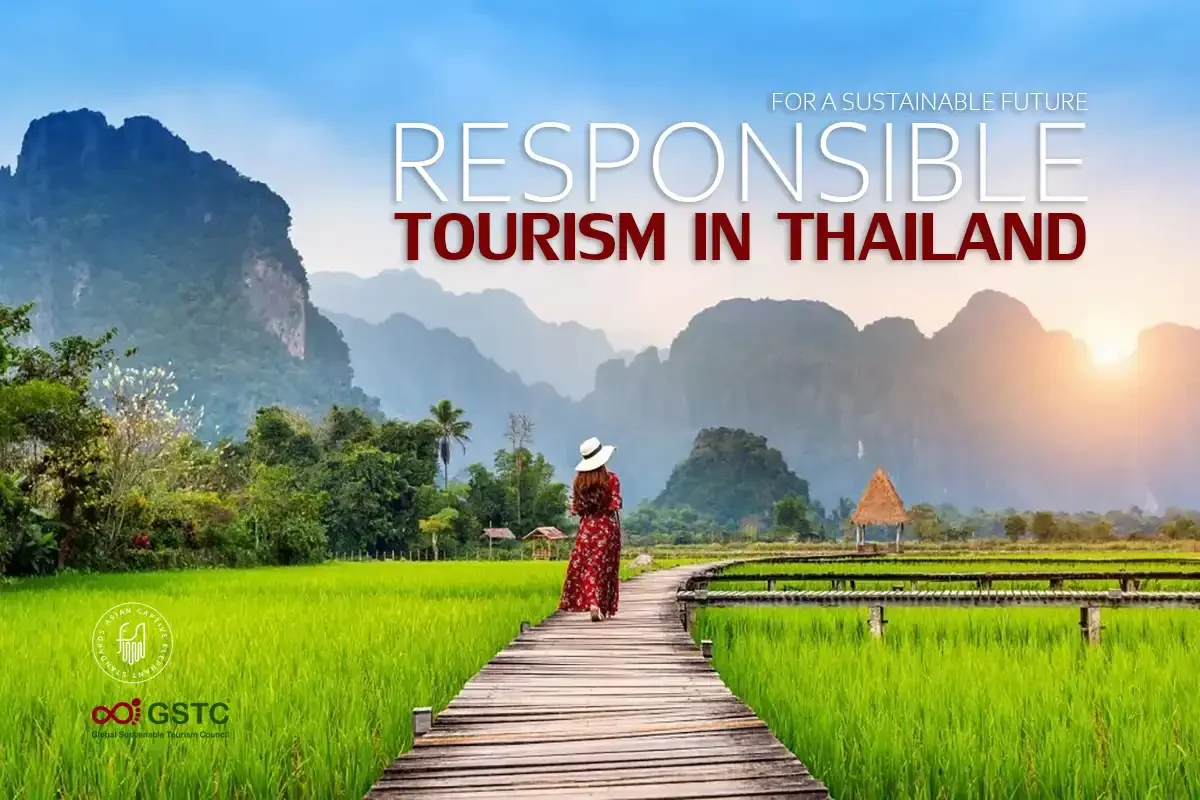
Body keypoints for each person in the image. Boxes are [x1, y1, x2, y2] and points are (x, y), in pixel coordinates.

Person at [559, 436, 623, 622]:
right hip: (607, 528)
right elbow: (614, 505)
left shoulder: (579, 482)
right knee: (605, 567)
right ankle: (601, 605)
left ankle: (593, 603)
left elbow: (577, 509)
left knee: (589, 567)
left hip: (588, 528)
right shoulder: (611, 479)